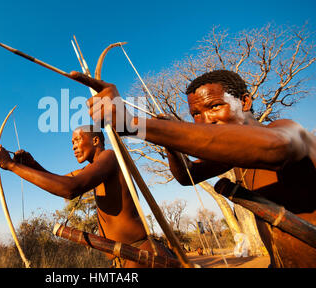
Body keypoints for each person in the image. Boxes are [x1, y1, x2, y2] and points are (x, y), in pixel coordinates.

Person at [82, 69, 316, 268]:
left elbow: (275, 149)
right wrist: (169, 143)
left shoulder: (287, 131)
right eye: (196, 114)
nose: (206, 120)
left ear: (245, 102)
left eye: (215, 106)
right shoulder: (235, 158)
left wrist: (135, 125)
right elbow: (188, 175)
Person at [0, 125, 177, 268]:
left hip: (141, 255)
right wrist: (30, 165)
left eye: (77, 140)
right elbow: (61, 182)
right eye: (72, 143)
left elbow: (69, 188)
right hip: (125, 259)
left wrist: (12, 165)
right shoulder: (92, 169)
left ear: (95, 140)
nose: (73, 146)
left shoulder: (109, 157)